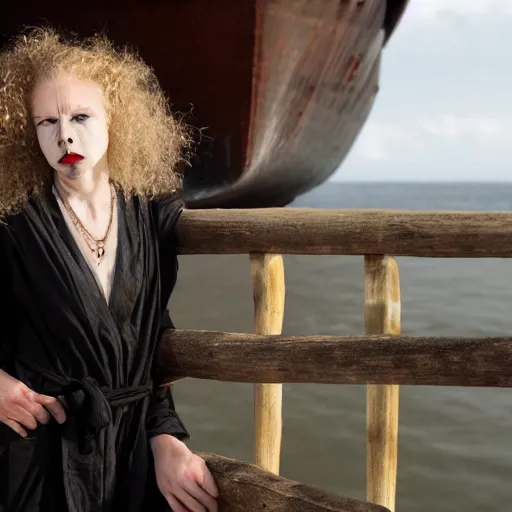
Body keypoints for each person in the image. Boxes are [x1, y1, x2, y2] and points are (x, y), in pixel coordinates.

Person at [0, 27, 218, 512]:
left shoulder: (151, 216)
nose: (65, 136)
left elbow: (152, 335)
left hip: (129, 451)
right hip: (36, 454)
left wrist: (164, 436)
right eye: (46, 122)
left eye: (80, 116)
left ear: (115, 118)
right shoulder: (13, 224)